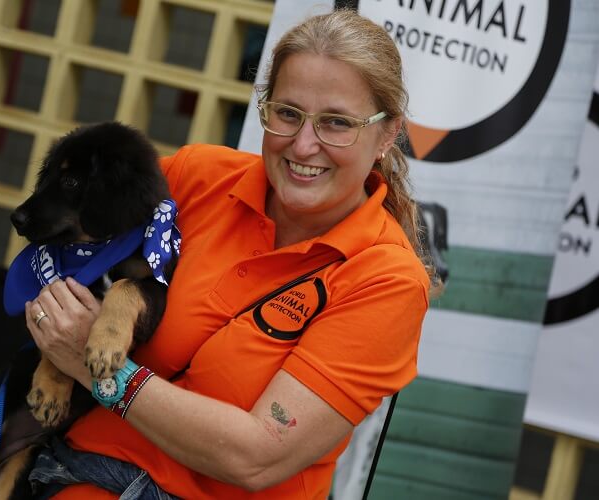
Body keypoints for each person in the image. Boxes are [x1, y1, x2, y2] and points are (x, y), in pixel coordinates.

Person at [25, 9, 435, 499]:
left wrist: (95, 371)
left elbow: (257, 456)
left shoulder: (385, 279)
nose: (304, 145)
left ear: (387, 134)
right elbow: (56, 245)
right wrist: (59, 321)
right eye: (287, 113)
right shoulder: (196, 177)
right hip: (72, 476)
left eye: (337, 123)